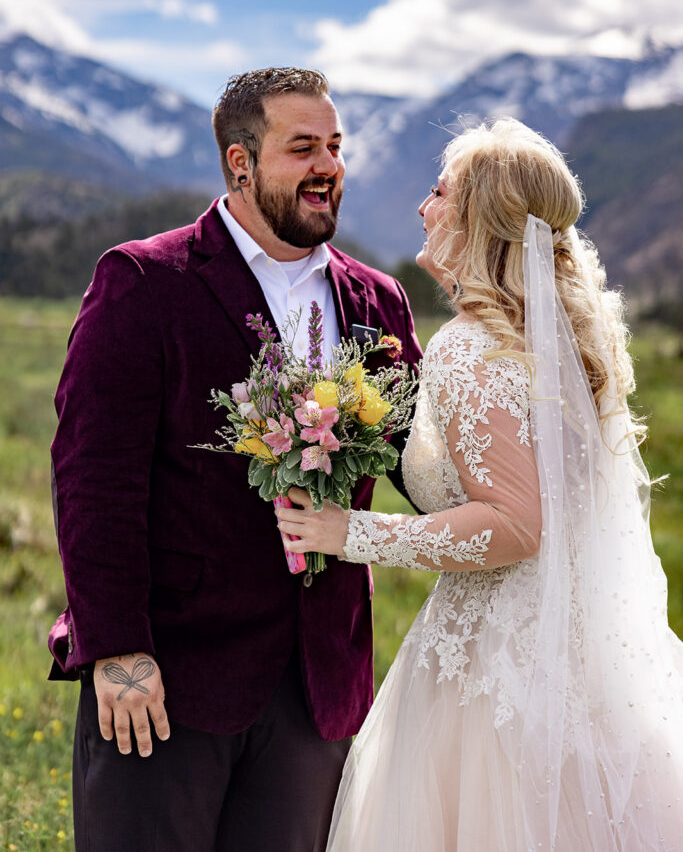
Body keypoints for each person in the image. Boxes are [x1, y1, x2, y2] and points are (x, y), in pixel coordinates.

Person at [276, 117, 683, 852]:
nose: (422, 208)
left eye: (438, 192)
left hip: (494, 671)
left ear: (477, 218)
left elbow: (516, 525)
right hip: (578, 659)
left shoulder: (470, 347)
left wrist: (352, 534)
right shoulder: (558, 338)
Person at [47, 67, 422, 852]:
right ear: (240, 162)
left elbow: (418, 459)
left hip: (316, 686)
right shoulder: (145, 280)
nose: (327, 167)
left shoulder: (377, 302)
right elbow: (93, 479)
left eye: (335, 146)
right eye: (302, 148)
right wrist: (117, 649)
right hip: (166, 675)